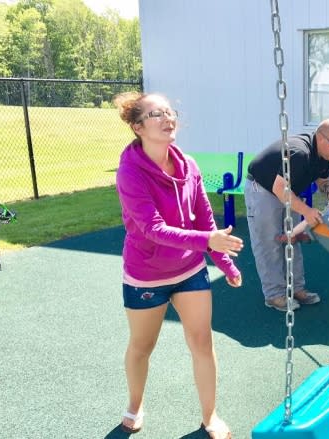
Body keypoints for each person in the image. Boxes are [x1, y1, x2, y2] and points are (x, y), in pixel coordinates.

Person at [113, 92, 243, 439]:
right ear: (138, 126)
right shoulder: (130, 172)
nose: (168, 118)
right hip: (146, 275)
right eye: (157, 114)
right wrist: (207, 243)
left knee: (202, 342)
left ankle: (210, 416)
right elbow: (152, 230)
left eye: (170, 112)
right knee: (143, 346)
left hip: (189, 271)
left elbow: (204, 219)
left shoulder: (189, 165)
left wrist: (224, 263)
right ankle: (136, 403)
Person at [245, 119, 329, 311]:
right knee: (270, 242)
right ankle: (274, 294)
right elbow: (279, 187)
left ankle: (296, 288)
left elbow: (322, 179)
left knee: (293, 239)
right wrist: (307, 210)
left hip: (288, 191)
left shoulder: (326, 155)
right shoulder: (300, 153)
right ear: (321, 139)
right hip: (264, 188)